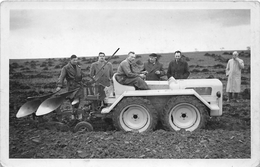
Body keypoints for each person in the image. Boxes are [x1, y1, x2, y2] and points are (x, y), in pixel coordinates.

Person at [56, 55, 83, 120]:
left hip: (79, 86)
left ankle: (79, 116)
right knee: (72, 101)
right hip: (71, 87)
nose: (76, 61)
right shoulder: (66, 68)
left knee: (79, 101)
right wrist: (59, 86)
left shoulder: (79, 67)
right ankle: (73, 117)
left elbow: (81, 76)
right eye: (74, 60)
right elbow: (61, 77)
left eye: (76, 60)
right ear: (70, 60)